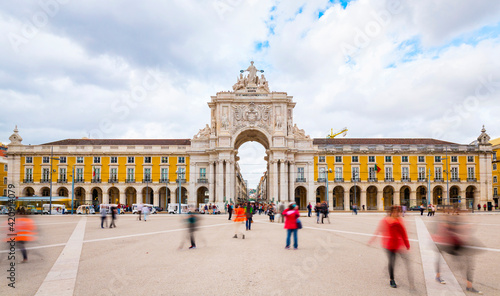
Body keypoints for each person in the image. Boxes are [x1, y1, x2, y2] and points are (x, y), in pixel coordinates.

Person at [433, 213, 482, 294]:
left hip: (449, 242)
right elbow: (449, 228)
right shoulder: (443, 218)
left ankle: (468, 285)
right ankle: (468, 285)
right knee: (465, 262)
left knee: (467, 260)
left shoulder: (451, 218)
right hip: (445, 243)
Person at [368, 206, 411, 289]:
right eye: (394, 212)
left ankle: (388, 271)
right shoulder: (385, 220)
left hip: (396, 244)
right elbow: (378, 230)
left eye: (397, 212)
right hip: (388, 245)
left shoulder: (399, 221)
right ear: (391, 212)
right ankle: (392, 279)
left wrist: (407, 244)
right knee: (392, 262)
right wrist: (372, 240)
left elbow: (403, 233)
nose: (396, 213)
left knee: (396, 261)